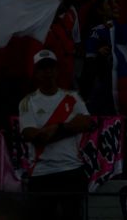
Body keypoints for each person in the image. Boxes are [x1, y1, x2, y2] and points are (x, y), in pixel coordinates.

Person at [18, 50, 92, 220]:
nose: (48, 72)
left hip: (72, 170)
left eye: (51, 67)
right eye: (43, 69)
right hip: (42, 173)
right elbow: (33, 135)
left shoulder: (72, 97)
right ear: (36, 73)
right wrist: (69, 128)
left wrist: (56, 127)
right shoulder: (27, 102)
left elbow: (86, 122)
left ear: (57, 70)